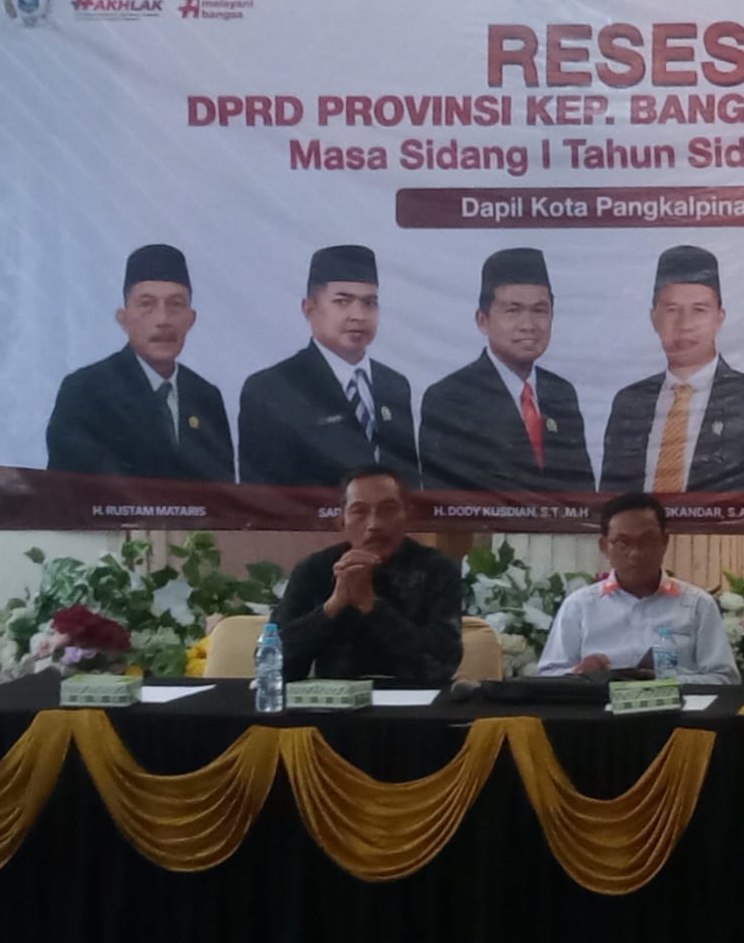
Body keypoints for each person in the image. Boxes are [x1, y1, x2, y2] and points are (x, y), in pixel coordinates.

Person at [600, 245, 744, 493]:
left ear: (719, 318)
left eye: (699, 310)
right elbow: (609, 498)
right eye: (672, 310)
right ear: (654, 318)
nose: (685, 325)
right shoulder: (629, 402)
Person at [45, 244, 234, 480]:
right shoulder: (86, 391)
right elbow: (63, 491)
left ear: (191, 319)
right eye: (147, 305)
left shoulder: (206, 397)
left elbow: (223, 492)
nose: (163, 319)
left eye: (175, 305)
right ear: (123, 319)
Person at [238, 245, 417, 488]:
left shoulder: (394, 385)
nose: (358, 315)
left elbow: (409, 483)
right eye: (342, 302)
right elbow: (261, 497)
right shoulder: (271, 388)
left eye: (369, 303)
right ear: (309, 308)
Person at [419, 248, 593, 492]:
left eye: (539, 310)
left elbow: (583, 491)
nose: (528, 325)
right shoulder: (449, 397)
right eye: (513, 310)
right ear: (483, 320)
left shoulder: (561, 392)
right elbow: (445, 498)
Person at [272, 465, 463, 683]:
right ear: (342, 520)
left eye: (388, 510)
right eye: (359, 511)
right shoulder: (314, 570)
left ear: (408, 516)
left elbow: (441, 666)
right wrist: (333, 606)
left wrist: (372, 606)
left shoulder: (437, 569)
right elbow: (275, 668)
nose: (374, 525)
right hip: (336, 703)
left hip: (417, 702)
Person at [537, 492, 739, 681]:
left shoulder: (698, 605)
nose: (636, 553)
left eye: (647, 540)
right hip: (599, 707)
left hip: (678, 707)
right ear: (604, 547)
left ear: (664, 542)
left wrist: (664, 683)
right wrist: (580, 675)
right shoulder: (579, 606)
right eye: (623, 542)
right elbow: (548, 676)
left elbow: (725, 678)